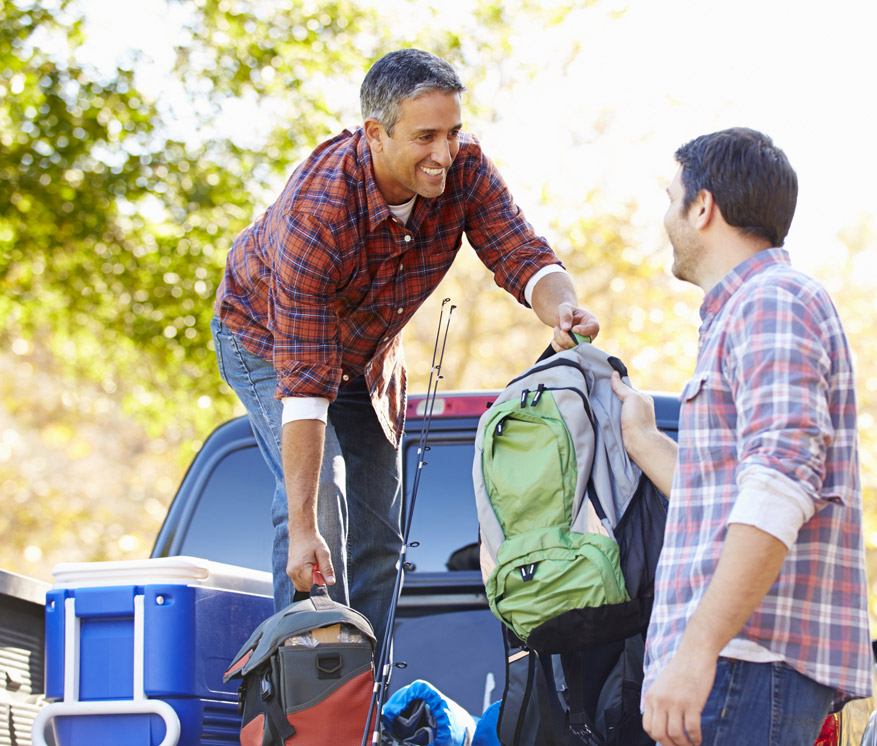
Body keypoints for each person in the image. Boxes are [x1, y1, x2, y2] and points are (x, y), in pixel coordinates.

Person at [210, 49, 598, 634]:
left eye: (453, 133)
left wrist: (563, 308)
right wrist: (300, 529)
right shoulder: (319, 214)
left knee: (380, 537)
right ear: (375, 133)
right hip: (266, 342)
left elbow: (521, 254)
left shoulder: (464, 170)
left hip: (365, 357)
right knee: (320, 505)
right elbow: (306, 388)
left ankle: (362, 699)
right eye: (425, 137)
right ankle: (304, 701)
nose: (443, 155)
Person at [610, 128, 874, 746]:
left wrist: (696, 652)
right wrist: (641, 439)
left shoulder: (771, 302)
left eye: (669, 198)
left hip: (739, 665)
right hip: (745, 669)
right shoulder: (749, 312)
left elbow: (783, 484)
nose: (663, 216)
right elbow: (732, 490)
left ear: (703, 206)